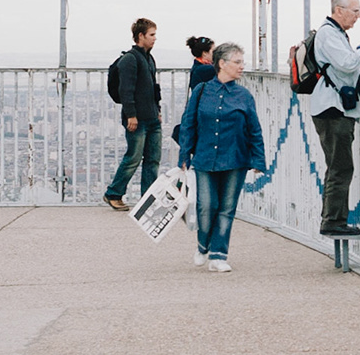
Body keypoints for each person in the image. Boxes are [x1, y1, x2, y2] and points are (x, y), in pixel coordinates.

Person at [305, 0, 360, 236]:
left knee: (339, 166)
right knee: (340, 167)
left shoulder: (335, 33)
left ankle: (335, 220)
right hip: (332, 110)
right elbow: (348, 63)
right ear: (339, 10)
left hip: (334, 108)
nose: (358, 16)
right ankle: (333, 222)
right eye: (355, 11)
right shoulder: (328, 34)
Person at [178, 42, 266, 272]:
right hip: (206, 156)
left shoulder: (244, 96)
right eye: (237, 62)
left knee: (227, 208)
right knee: (207, 205)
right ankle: (203, 245)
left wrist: (258, 159)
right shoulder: (202, 91)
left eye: (242, 62)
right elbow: (189, 123)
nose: (241, 67)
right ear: (222, 64)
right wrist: (184, 154)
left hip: (235, 158)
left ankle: (219, 255)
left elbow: (253, 128)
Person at [104, 17, 162, 210]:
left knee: (153, 159)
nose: (155, 38)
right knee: (134, 157)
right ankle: (113, 193)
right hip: (137, 118)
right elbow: (126, 90)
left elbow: (153, 88)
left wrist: (158, 110)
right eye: (151, 35)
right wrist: (131, 115)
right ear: (140, 36)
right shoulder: (130, 59)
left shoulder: (148, 58)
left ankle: (148, 199)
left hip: (152, 117)